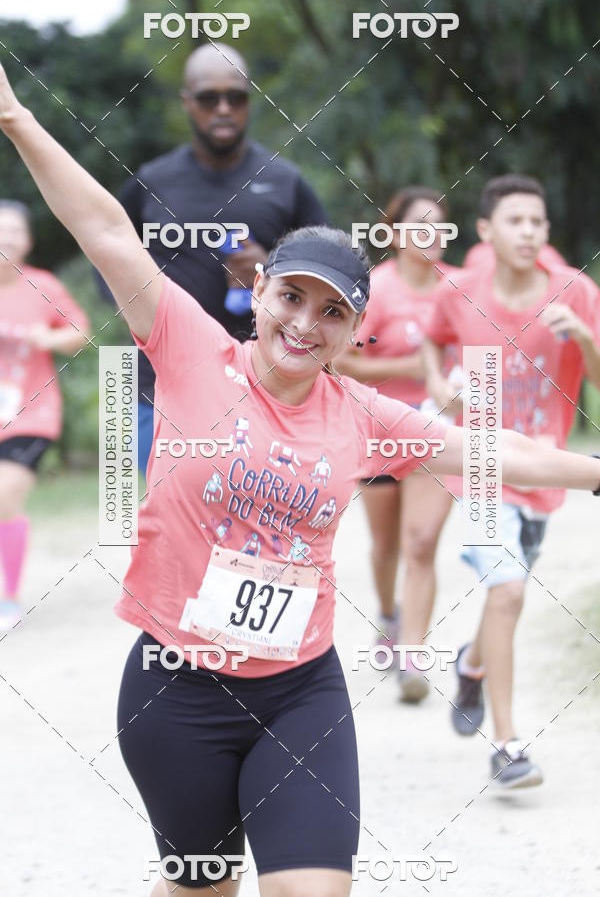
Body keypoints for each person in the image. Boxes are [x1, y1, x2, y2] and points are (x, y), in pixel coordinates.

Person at [2, 69, 600, 895]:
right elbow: (104, 228)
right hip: (177, 692)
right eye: (292, 297)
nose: (305, 323)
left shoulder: (362, 413)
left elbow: (496, 448)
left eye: (332, 312)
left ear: (355, 329)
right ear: (258, 295)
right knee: (201, 888)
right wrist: (12, 112)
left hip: (299, 694)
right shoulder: (188, 345)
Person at [422, 174, 600, 788]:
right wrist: (438, 386)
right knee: (509, 593)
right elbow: (433, 340)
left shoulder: (576, 292)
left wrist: (583, 338)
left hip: (542, 474)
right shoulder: (461, 291)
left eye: (538, 222)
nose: (529, 232)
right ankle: (508, 745)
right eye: (516, 221)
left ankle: (471, 665)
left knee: (509, 592)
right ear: (486, 231)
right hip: (480, 469)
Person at [98, 43, 327, 476]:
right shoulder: (152, 181)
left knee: (254, 525)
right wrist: (137, 309)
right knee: (150, 524)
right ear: (187, 102)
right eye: (208, 98)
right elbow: (105, 251)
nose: (223, 108)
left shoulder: (284, 180)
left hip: (262, 384)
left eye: (235, 97)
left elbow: (326, 267)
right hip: (160, 384)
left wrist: (272, 267)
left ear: (249, 101)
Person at [334, 187, 460, 703]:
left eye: (440, 226)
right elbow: (343, 361)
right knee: (386, 543)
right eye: (419, 225)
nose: (431, 235)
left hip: (438, 434)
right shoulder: (376, 290)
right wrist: (411, 368)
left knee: (421, 541)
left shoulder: (459, 289)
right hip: (379, 430)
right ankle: (388, 615)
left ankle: (413, 656)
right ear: (394, 234)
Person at [0, 200, 89, 630]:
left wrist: (46, 338)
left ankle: (7, 599)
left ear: (28, 240)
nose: (6, 238)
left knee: (4, 496)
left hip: (31, 412)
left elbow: (80, 332)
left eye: (14, 230)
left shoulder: (43, 285)